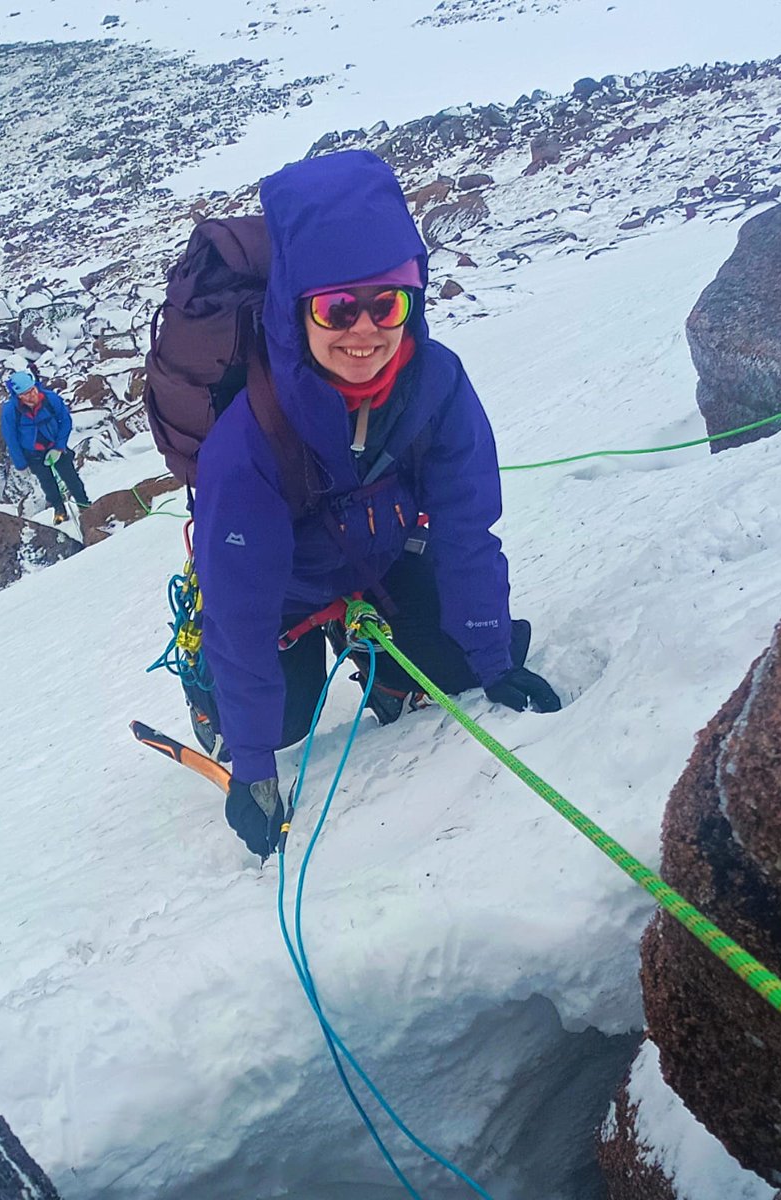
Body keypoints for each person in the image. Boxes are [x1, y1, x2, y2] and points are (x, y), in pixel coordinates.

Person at [191, 150, 560, 861]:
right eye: (336, 307)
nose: (364, 330)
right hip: (283, 596)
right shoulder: (248, 442)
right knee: (280, 722)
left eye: (386, 304)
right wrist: (254, 766)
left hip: (381, 560)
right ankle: (209, 695)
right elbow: (240, 609)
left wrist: (491, 658)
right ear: (296, 308)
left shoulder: (436, 384)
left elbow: (465, 527)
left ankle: (379, 659)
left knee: (462, 663)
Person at [1, 369, 91, 525]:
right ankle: (59, 510)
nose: (32, 395)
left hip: (55, 447)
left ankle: (84, 504)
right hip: (33, 454)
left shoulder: (51, 399)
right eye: (26, 394)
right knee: (47, 483)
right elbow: (11, 438)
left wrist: (59, 447)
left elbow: (65, 421)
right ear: (18, 396)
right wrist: (21, 464)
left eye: (32, 390)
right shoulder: (10, 411)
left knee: (71, 478)